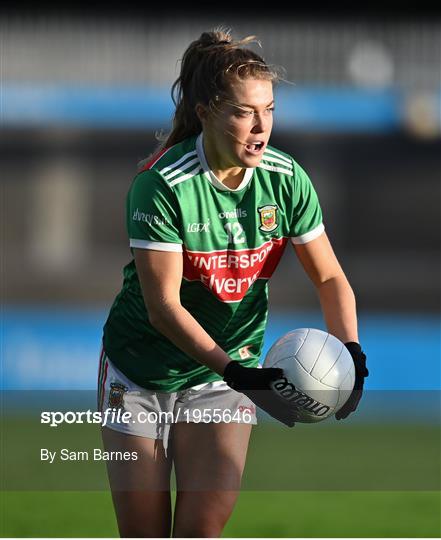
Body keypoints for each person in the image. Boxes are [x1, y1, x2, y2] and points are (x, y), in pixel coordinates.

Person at [98, 28, 368, 538]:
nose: (261, 125)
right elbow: (163, 308)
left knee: (203, 527)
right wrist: (238, 373)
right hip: (140, 370)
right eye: (244, 111)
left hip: (224, 374)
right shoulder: (162, 186)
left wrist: (351, 354)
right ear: (205, 112)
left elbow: (330, 276)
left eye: (269, 109)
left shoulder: (286, 180)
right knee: (144, 531)